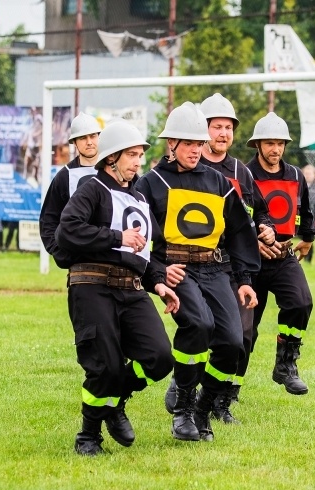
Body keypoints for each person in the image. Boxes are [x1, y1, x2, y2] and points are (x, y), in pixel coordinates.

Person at [55, 118, 180, 456]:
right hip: (92, 286)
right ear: (111, 158)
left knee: (159, 357)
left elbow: (145, 250)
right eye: (132, 155)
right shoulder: (92, 189)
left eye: (140, 155)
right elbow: (67, 230)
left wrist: (158, 282)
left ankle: (115, 400)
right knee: (105, 366)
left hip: (133, 289)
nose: (139, 162)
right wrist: (115, 237)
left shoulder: (139, 198)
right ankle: (88, 435)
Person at [136, 102, 260, 442]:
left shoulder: (218, 182)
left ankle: (204, 409)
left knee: (234, 342)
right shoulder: (151, 183)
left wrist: (246, 280)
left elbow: (238, 231)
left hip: (216, 268)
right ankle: (183, 411)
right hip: (179, 271)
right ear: (171, 144)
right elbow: (141, 235)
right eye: (189, 143)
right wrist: (159, 272)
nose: (196, 149)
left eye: (199, 143)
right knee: (200, 324)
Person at [190, 92, 276, 423]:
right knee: (204, 330)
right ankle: (188, 390)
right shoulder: (192, 168)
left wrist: (266, 228)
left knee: (242, 335)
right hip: (200, 266)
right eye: (216, 127)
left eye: (228, 127)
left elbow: (261, 213)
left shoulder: (241, 171)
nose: (223, 134)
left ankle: (220, 402)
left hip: (235, 267)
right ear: (203, 130)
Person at [246, 111, 315, 396]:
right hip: (250, 261)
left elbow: (305, 209)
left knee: (300, 302)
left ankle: (286, 366)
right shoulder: (245, 174)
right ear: (258, 145)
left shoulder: (296, 175)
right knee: (244, 333)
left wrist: (308, 238)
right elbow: (237, 218)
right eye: (269, 143)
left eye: (280, 143)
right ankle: (227, 389)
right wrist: (254, 242)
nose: (275, 149)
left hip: (284, 256)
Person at [40, 112, 102, 264]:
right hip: (80, 265)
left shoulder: (116, 170)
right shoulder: (64, 176)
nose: (89, 142)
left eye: (93, 136)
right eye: (83, 138)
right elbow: (48, 219)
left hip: (114, 259)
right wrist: (61, 253)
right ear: (74, 142)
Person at [301, 164, 315, 263]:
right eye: (306, 173)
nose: (308, 175)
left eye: (310, 173)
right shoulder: (300, 187)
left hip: (313, 214)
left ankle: (309, 258)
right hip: (301, 214)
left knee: (309, 235)